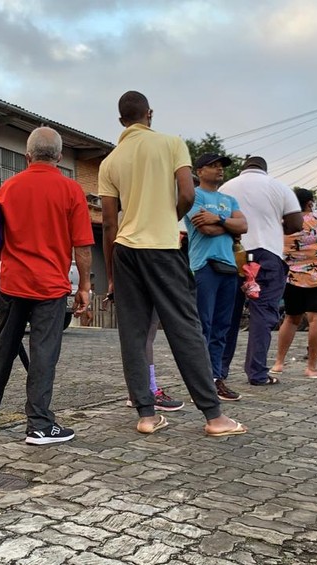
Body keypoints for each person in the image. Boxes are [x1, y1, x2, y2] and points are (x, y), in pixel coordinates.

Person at [98, 90, 244, 437]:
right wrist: (170, 217)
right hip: (162, 248)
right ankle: (214, 417)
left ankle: (146, 415)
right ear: (150, 114)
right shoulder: (171, 143)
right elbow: (188, 194)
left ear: (121, 121)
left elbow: (107, 222)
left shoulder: (110, 161)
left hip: (125, 251)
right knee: (185, 328)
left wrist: (113, 274)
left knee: (133, 334)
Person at [0, 127, 92, 445]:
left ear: (27, 156)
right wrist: (85, 287)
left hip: (13, 284)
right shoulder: (71, 191)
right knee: (44, 353)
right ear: (60, 158)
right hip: (50, 287)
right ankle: (39, 423)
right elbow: (83, 246)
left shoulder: (8, 190)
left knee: (5, 347)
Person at [220, 156, 303, 385]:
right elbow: (296, 224)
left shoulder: (226, 187)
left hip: (234, 254)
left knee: (228, 316)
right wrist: (275, 224)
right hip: (266, 255)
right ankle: (257, 372)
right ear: (265, 169)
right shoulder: (279, 187)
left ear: (243, 168)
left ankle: (218, 370)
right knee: (262, 315)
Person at [185, 153, 247, 400]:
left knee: (223, 326)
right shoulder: (195, 196)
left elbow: (244, 226)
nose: (219, 169)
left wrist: (219, 219)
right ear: (199, 171)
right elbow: (205, 229)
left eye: (221, 166)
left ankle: (216, 377)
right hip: (204, 267)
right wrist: (228, 227)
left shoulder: (229, 199)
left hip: (229, 268)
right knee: (204, 325)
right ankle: (201, 381)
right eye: (213, 165)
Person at [271, 188, 317, 378]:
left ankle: (278, 363)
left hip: (291, 276)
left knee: (291, 318)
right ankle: (312, 367)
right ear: (309, 203)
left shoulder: (282, 222)